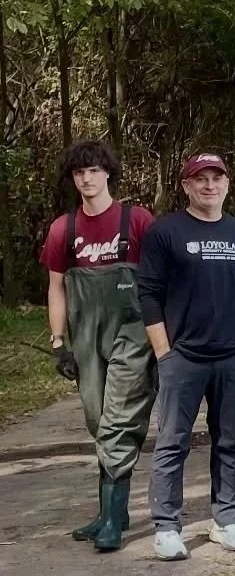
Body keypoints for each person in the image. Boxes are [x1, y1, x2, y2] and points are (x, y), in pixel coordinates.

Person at [137, 153, 235, 561]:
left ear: (227, 184)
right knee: (173, 442)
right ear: (186, 185)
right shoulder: (165, 232)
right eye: (201, 179)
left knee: (229, 441)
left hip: (232, 358)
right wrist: (164, 354)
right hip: (183, 358)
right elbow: (149, 295)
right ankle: (167, 527)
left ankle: (227, 521)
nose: (210, 185)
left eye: (217, 178)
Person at [41, 140, 157, 552]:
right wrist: (58, 343)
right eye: (79, 173)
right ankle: (112, 512)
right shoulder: (63, 230)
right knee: (97, 419)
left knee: (117, 421)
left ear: (108, 172)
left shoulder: (137, 221)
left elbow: (162, 280)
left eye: (93, 170)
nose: (86, 179)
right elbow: (56, 289)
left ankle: (111, 520)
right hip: (85, 335)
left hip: (133, 332)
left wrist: (163, 336)